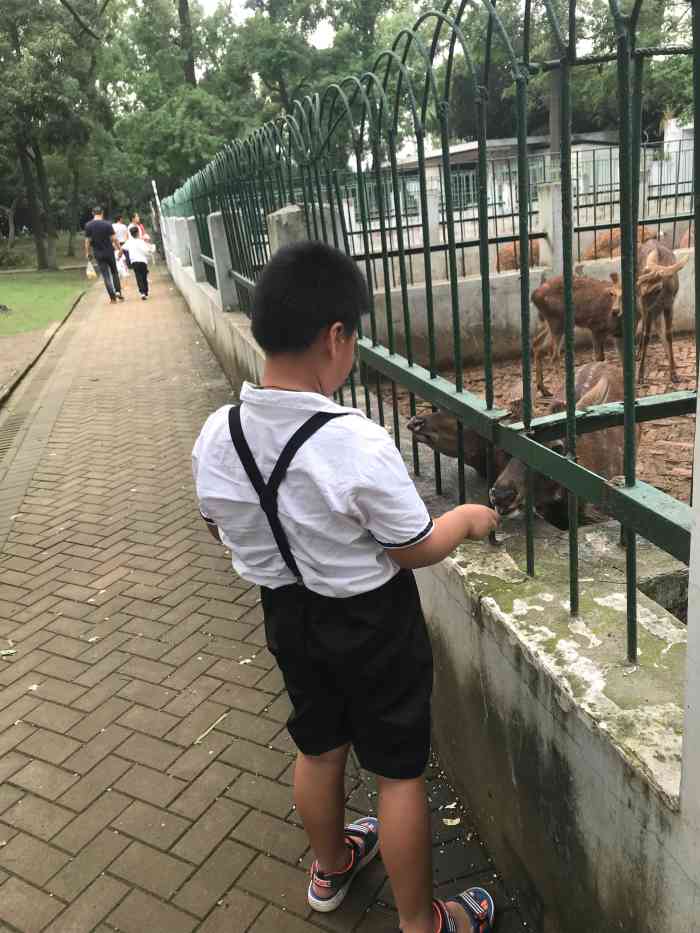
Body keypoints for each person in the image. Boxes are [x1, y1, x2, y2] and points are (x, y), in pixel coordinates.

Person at [192, 240, 499, 933]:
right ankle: (423, 922)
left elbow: (220, 527)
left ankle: (330, 867)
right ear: (335, 337)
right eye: (353, 339)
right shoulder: (354, 441)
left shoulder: (218, 435)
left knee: (318, 744)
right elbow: (413, 545)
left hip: (287, 615)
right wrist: (467, 518)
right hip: (371, 622)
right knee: (397, 774)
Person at [84, 207, 123, 303]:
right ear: (102, 213)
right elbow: (114, 239)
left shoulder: (88, 225)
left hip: (98, 253)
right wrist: (120, 249)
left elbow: (87, 242)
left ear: (93, 213)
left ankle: (112, 298)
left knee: (106, 276)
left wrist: (88, 253)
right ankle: (118, 292)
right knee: (114, 272)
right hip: (109, 252)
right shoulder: (107, 224)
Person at [121, 224, 153, 300]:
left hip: (134, 262)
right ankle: (145, 291)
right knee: (144, 276)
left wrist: (119, 255)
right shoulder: (141, 242)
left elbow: (122, 248)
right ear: (138, 232)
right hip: (143, 261)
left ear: (130, 234)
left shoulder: (129, 242)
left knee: (138, 276)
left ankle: (142, 293)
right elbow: (146, 251)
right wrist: (149, 251)